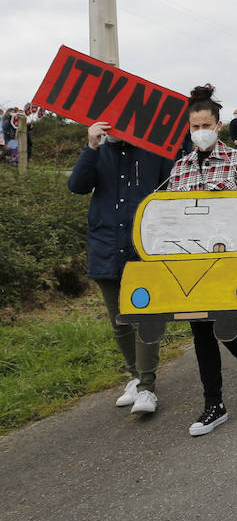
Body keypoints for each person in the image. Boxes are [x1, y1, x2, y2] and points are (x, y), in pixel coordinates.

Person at [168, 85, 237, 437]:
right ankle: (214, 404)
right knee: (200, 330)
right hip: (190, 264)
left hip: (228, 260)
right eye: (194, 127)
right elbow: (170, 218)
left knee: (223, 324)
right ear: (189, 128)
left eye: (205, 125)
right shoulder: (179, 169)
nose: (200, 132)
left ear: (219, 125)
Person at [67, 120, 174, 416]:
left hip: (145, 247)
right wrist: (91, 146)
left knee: (146, 316)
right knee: (120, 320)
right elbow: (77, 185)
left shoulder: (153, 151)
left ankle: (147, 387)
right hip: (107, 246)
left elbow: (171, 190)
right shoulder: (98, 149)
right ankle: (135, 377)